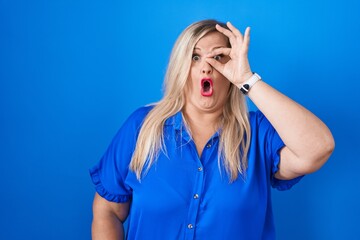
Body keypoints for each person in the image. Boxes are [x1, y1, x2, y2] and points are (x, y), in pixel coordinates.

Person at [89, 19, 335, 240]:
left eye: (218, 57)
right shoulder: (141, 126)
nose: (206, 67)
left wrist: (246, 80)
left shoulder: (257, 135)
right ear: (180, 68)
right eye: (195, 57)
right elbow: (108, 210)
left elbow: (318, 148)